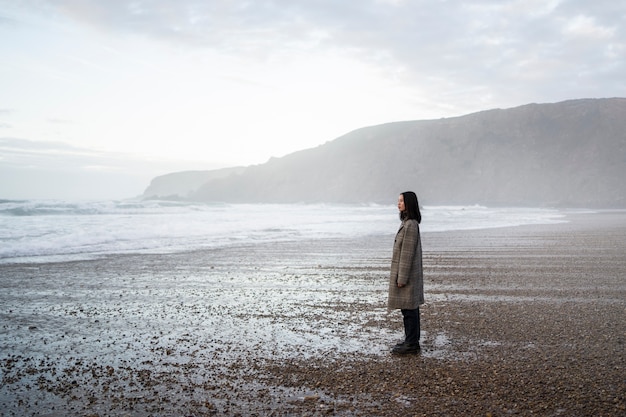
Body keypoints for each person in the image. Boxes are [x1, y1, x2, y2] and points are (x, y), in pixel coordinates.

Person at [388, 191, 424, 355]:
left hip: (407, 276)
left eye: (401, 201)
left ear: (409, 203)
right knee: (409, 309)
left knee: (409, 310)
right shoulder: (409, 223)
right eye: (398, 201)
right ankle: (411, 341)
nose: (398, 203)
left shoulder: (410, 225)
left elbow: (407, 254)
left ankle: (411, 343)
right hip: (408, 275)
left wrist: (401, 278)